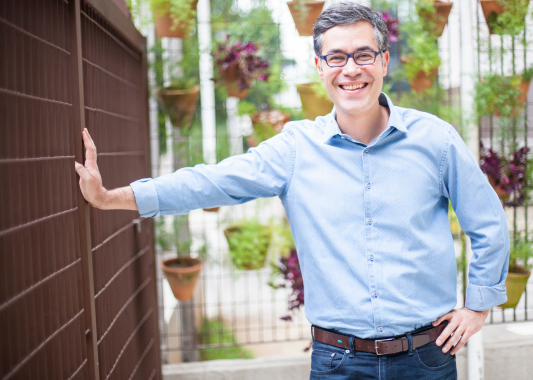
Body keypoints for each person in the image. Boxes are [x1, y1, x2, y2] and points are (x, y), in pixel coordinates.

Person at [75, 2, 509, 379]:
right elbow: (214, 181)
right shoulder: (296, 149)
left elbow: (487, 222)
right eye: (336, 57)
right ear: (319, 67)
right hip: (338, 364)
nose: (351, 69)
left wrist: (478, 306)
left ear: (384, 61)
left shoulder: (435, 139)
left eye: (363, 54)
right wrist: (111, 197)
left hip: (428, 361)